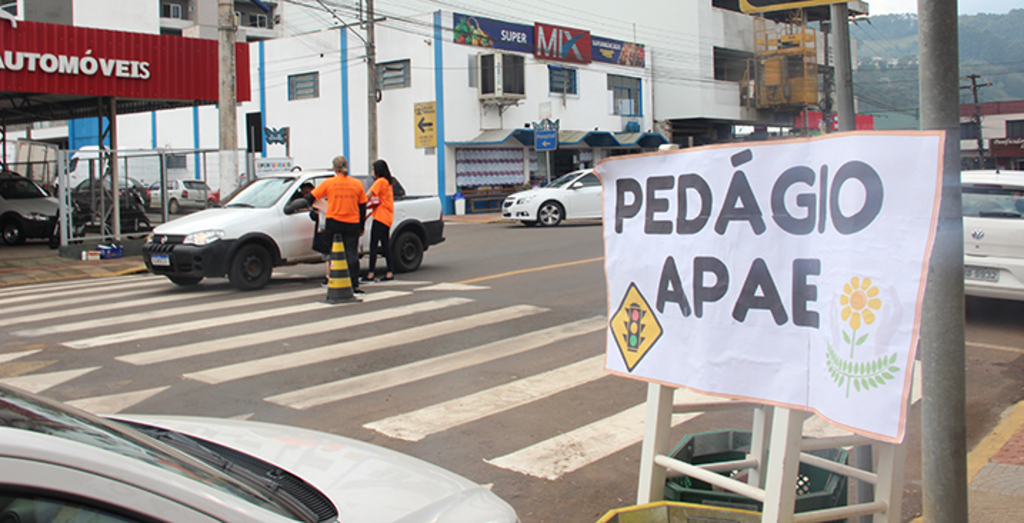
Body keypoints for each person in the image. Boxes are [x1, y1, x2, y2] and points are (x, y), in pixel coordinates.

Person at [308, 156, 367, 295]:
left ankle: (334, 280)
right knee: (352, 253)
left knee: (333, 252)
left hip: (333, 222)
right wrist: (361, 226)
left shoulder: (329, 183)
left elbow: (311, 197)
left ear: (334, 169)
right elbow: (362, 207)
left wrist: (318, 207)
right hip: (352, 222)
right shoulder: (357, 184)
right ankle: (354, 285)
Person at [363, 159, 396, 283]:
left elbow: (368, 195)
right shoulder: (388, 182)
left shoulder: (380, 181)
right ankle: (389, 272)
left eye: (373, 169)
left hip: (380, 218)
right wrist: (369, 213)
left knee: (373, 246)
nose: (372, 172)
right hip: (387, 217)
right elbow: (380, 202)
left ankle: (371, 273)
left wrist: (359, 203)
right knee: (386, 245)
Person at [300, 182, 332, 285]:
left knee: (328, 255)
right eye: (303, 193)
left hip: (326, 230)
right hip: (329, 229)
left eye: (307, 192)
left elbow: (314, 216)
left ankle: (329, 277)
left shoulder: (319, 201)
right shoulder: (324, 200)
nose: (306, 195)